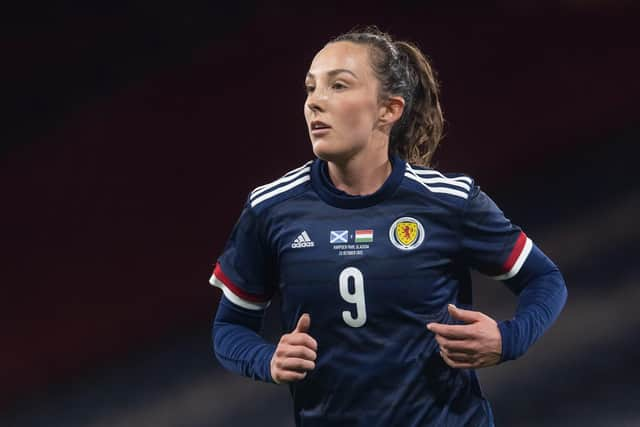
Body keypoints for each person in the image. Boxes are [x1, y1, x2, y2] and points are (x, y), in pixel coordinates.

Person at [209, 26, 567, 426]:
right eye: (310, 89)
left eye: (338, 86)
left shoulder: (449, 201)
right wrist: (268, 358)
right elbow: (229, 327)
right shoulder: (271, 208)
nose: (315, 103)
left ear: (389, 109)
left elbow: (546, 280)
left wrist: (508, 339)